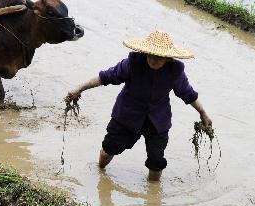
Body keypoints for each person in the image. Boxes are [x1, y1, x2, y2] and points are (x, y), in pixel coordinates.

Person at [65, 30, 212, 182]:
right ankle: (100, 174)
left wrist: (203, 113)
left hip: (157, 121)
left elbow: (187, 93)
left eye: (158, 58)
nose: (153, 61)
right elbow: (105, 77)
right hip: (127, 115)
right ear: (145, 52)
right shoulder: (133, 63)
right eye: (150, 56)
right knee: (108, 149)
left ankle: (153, 197)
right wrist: (79, 89)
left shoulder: (175, 70)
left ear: (168, 58)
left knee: (156, 162)